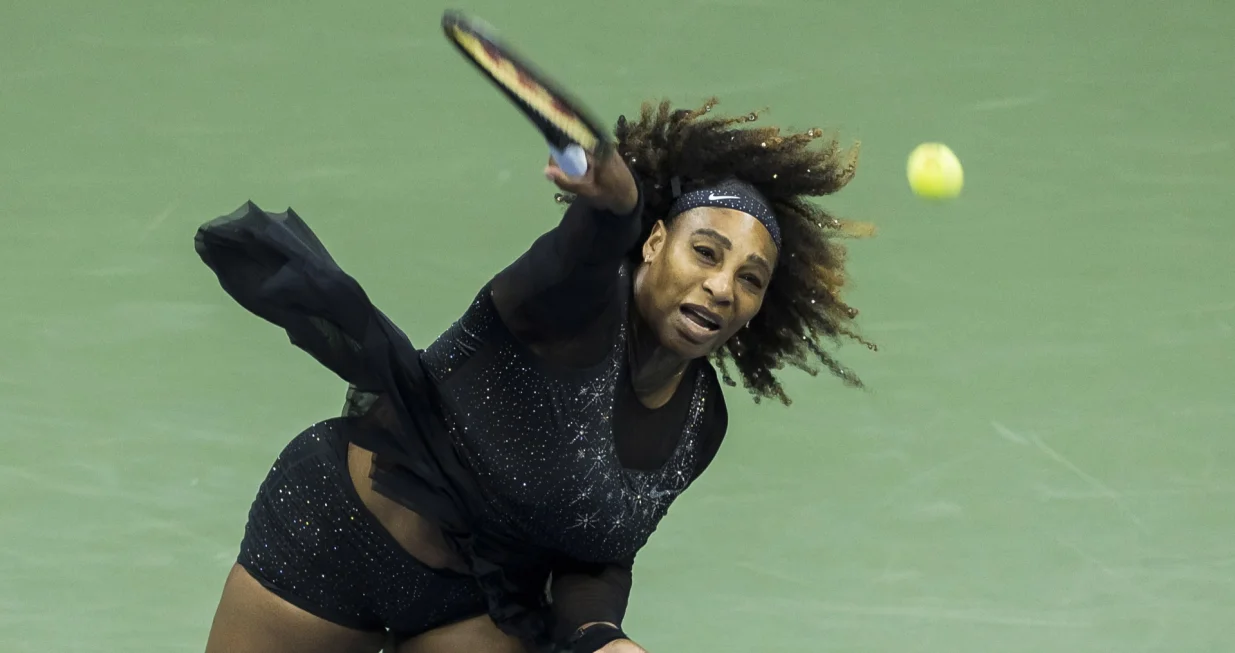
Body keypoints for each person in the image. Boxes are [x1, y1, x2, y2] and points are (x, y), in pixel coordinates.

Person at [196, 97, 875, 653]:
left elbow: (596, 552)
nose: (722, 286)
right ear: (654, 241)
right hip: (336, 537)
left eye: (749, 279)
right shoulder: (568, 305)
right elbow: (582, 253)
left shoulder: (700, 421)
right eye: (705, 251)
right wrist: (609, 205)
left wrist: (602, 637)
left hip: (475, 608)